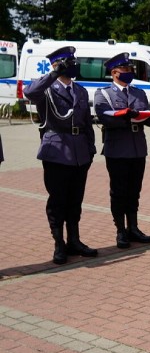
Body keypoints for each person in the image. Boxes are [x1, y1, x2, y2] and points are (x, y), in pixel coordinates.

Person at [24, 46, 98, 264]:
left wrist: (91, 148)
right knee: (58, 200)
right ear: (57, 64)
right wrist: (54, 73)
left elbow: (86, 123)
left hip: (79, 152)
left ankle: (74, 240)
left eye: (73, 61)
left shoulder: (80, 91)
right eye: (69, 62)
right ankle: (59, 244)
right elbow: (29, 93)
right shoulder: (46, 89)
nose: (74, 65)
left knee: (75, 200)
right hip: (56, 150)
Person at [94, 52, 150, 248]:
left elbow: (144, 115)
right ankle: (120, 230)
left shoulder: (138, 93)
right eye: (126, 69)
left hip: (137, 147)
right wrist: (124, 116)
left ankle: (134, 227)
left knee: (134, 191)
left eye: (131, 69)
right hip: (117, 148)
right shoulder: (103, 93)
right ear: (115, 72)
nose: (130, 72)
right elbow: (104, 116)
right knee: (119, 191)